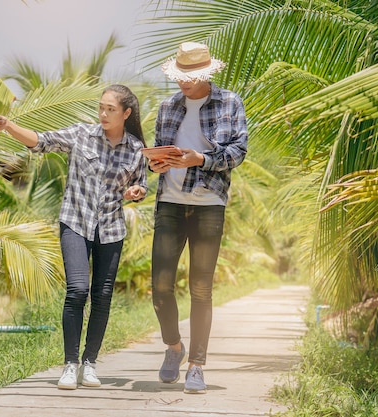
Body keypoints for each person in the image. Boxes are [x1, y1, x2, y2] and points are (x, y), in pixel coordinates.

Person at [0, 84, 148, 390]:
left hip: (110, 228)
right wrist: (8, 126)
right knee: (77, 289)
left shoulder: (136, 149)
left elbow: (141, 184)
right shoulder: (81, 134)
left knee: (102, 296)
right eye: (101, 107)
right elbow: (41, 142)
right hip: (75, 221)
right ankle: (70, 364)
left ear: (126, 113)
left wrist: (136, 192)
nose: (103, 113)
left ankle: (90, 363)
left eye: (111, 109)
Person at [147, 41, 248, 394]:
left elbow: (238, 152)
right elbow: (161, 150)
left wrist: (201, 159)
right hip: (169, 202)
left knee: (201, 287)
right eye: (180, 76)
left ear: (206, 73)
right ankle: (174, 347)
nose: (184, 83)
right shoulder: (167, 106)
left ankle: (197, 366)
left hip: (209, 205)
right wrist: (156, 161)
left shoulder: (230, 103)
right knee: (160, 286)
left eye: (191, 76)